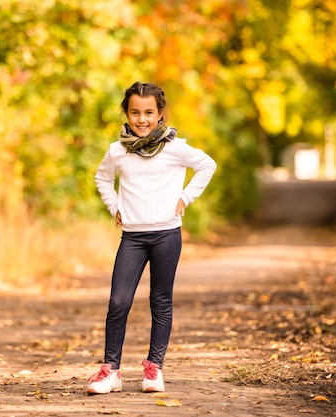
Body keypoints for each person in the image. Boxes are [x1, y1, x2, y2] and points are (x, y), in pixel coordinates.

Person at [88, 82, 217, 395]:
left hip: (166, 235)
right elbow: (102, 178)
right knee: (118, 301)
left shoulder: (175, 147)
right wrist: (114, 205)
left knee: (160, 302)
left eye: (148, 112)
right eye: (135, 112)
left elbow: (206, 165)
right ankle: (111, 371)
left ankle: (153, 368)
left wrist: (185, 197)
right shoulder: (117, 151)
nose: (141, 119)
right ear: (127, 114)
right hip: (132, 236)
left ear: (160, 114)